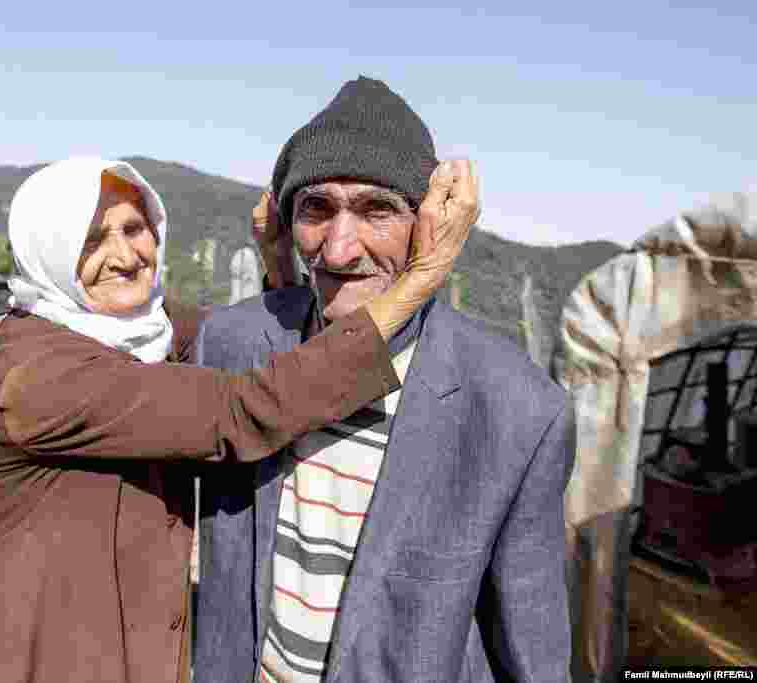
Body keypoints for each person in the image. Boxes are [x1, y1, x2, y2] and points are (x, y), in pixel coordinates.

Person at [0, 154, 480, 683]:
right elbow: (241, 408)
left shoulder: (151, 330)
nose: (125, 254)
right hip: (37, 652)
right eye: (92, 240)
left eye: (134, 227)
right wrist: (422, 276)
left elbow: (258, 355)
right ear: (48, 253)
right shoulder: (38, 379)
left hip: (126, 647)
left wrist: (279, 267)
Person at [194, 76, 576, 682]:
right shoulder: (233, 345)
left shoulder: (514, 411)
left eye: (377, 210)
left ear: (427, 224)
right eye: (315, 209)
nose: (340, 249)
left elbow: (531, 646)